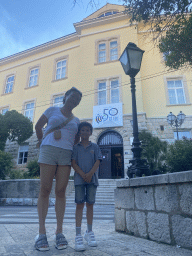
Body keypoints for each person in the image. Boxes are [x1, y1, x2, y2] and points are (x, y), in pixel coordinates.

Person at [34, 87, 82, 251]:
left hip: (65, 154)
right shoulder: (52, 110)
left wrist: (66, 145)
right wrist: (43, 141)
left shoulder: (76, 120)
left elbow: (76, 139)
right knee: (45, 189)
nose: (74, 100)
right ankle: (41, 233)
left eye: (78, 99)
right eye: (73, 96)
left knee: (61, 191)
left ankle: (59, 231)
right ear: (66, 96)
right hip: (48, 150)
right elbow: (38, 126)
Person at [71, 121, 102, 251]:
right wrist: (83, 174)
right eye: (82, 130)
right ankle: (78, 234)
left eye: (87, 130)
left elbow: (98, 161)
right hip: (79, 179)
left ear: (90, 132)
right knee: (79, 205)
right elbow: (73, 162)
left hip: (92, 179)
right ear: (79, 132)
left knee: (90, 204)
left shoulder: (94, 147)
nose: (84, 132)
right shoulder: (76, 147)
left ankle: (89, 232)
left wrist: (89, 174)